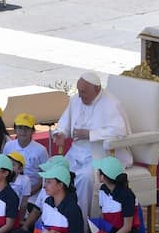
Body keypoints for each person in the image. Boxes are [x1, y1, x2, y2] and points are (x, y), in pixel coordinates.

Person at [52, 71, 131, 216]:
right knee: (54, 172)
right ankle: (50, 220)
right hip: (76, 152)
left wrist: (90, 134)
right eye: (79, 91)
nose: (80, 96)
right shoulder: (76, 99)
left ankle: (79, 226)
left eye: (84, 92)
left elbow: (120, 131)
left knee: (84, 177)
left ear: (97, 89)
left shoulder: (112, 103)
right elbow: (65, 122)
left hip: (100, 155)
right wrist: (61, 133)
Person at [6, 162, 84, 233]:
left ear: (60, 185)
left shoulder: (72, 208)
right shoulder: (47, 202)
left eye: (49, 182)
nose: (44, 186)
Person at [76, 156, 142, 233]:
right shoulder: (103, 190)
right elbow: (103, 217)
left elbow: (127, 227)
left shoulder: (127, 196)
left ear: (103, 176)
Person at [2, 112, 49, 197]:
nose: (23, 131)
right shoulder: (9, 146)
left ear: (33, 131)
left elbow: (45, 175)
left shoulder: (41, 150)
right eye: (20, 128)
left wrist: (29, 193)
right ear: (15, 130)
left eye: (27, 128)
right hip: (10, 190)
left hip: (33, 194)